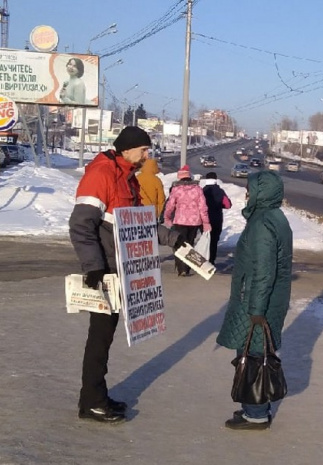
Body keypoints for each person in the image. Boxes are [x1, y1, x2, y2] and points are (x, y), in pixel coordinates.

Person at [68, 126, 183, 424]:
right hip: (105, 271)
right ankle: (91, 401)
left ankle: (96, 396)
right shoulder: (102, 174)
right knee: (99, 337)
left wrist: (173, 239)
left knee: (105, 338)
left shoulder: (126, 177)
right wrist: (92, 266)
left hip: (121, 270)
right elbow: (81, 225)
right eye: (144, 150)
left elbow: (136, 224)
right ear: (129, 148)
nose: (147, 155)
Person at [216, 170, 293, 430]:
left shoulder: (262, 224)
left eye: (250, 189)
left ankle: (257, 414)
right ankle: (252, 407)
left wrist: (256, 310)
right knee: (254, 352)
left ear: (261, 193)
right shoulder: (273, 217)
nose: (246, 194)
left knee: (253, 355)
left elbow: (264, 269)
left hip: (259, 302)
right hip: (267, 299)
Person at [163, 165, 211, 277]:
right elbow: (203, 207)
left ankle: (181, 268)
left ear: (180, 177)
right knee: (190, 244)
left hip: (180, 221)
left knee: (180, 244)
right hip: (194, 222)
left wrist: (167, 217)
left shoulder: (176, 189)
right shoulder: (197, 189)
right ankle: (187, 267)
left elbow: (170, 205)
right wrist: (206, 222)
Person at [201, 172, 232, 264]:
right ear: (215, 180)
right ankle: (211, 260)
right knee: (214, 241)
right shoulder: (220, 191)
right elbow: (228, 205)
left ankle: (204, 259)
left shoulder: (202, 191)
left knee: (206, 240)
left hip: (205, 219)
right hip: (217, 219)